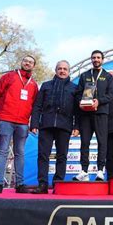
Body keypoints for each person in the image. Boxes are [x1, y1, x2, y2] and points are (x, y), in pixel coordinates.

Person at [0, 55, 38, 194]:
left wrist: (29, 120)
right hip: (6, 119)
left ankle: (20, 184)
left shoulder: (33, 84)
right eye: (25, 61)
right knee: (2, 151)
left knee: (20, 153)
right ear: (21, 62)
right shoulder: (9, 76)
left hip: (22, 122)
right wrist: (1, 111)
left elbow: (34, 105)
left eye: (30, 62)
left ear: (33, 66)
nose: (27, 63)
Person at [30, 60, 79, 193]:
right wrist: (34, 123)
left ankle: (58, 184)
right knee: (43, 155)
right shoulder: (46, 85)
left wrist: (76, 126)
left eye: (65, 69)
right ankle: (42, 185)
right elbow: (37, 106)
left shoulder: (74, 88)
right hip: (46, 125)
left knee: (62, 156)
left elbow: (77, 110)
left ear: (68, 72)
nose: (62, 71)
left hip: (65, 126)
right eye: (60, 68)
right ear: (56, 70)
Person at [74, 50, 113, 181]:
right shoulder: (85, 75)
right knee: (84, 143)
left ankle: (100, 170)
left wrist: (99, 101)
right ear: (91, 59)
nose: (96, 59)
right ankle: (84, 171)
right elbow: (78, 92)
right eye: (93, 58)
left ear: (102, 59)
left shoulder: (107, 76)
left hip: (101, 113)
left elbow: (111, 94)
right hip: (86, 113)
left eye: (98, 57)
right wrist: (80, 101)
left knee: (102, 142)